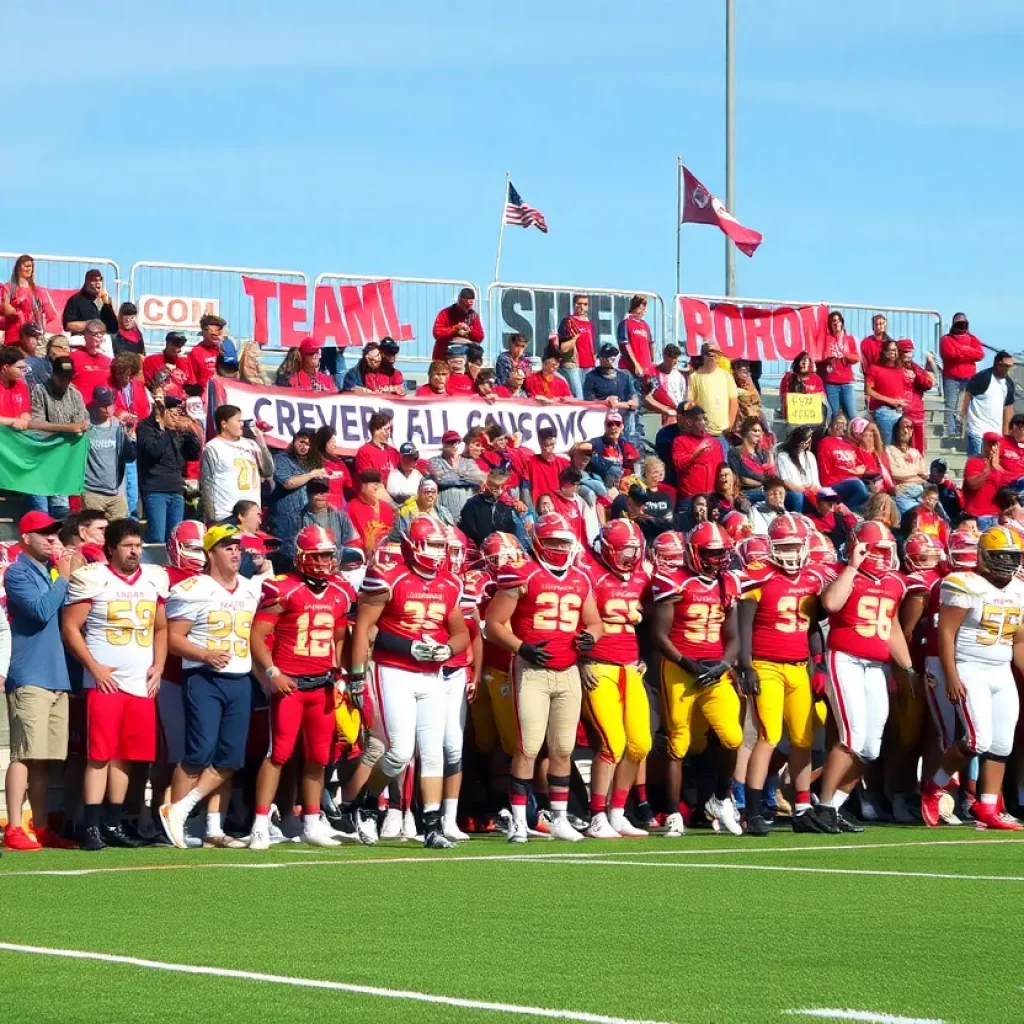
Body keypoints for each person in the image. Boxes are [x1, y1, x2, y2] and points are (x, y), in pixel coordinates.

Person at [343, 514, 471, 849]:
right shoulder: (388, 576)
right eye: (431, 544)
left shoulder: (450, 583)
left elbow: (461, 635)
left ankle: (431, 826)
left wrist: (445, 649)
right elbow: (365, 630)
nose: (437, 552)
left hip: (431, 675)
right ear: (413, 545)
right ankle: (369, 804)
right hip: (393, 671)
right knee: (399, 751)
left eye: (441, 545)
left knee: (432, 753)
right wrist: (358, 677)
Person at [485, 512, 604, 844]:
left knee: (563, 749)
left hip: (567, 672)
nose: (557, 547)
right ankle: (521, 821)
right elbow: (493, 626)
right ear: (537, 541)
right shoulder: (523, 573)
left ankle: (560, 818)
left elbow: (595, 623)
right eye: (551, 541)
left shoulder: (580, 578)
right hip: (532, 671)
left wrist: (591, 638)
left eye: (563, 542)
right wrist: (522, 647)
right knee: (528, 747)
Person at [61, 520, 168, 850]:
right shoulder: (94, 578)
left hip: (140, 681)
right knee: (99, 754)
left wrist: (159, 667)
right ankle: (91, 825)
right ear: (110, 548)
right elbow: (70, 627)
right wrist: (93, 668)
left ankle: (112, 822)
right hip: (104, 682)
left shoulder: (154, 579)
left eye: (137, 544)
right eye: (127, 545)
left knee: (127, 755)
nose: (135, 551)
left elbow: (161, 628)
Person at [249, 526, 357, 849]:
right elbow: (256, 636)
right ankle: (259, 823)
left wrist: (342, 675)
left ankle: (311, 822)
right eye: (318, 555)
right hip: (291, 686)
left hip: (322, 685)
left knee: (318, 757)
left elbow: (339, 638)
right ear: (301, 557)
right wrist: (272, 673)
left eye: (328, 555)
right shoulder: (283, 588)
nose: (325, 561)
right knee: (278, 753)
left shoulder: (340, 591)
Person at [159, 525, 263, 848]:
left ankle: (211, 827)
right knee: (199, 753)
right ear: (210, 552)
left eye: (238, 546)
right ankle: (175, 819)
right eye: (227, 546)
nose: (236, 552)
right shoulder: (194, 588)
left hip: (240, 678)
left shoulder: (250, 589)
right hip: (204, 677)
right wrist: (205, 653)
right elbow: (172, 639)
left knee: (230, 758)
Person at [813, 521, 914, 834]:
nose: (884, 557)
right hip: (846, 660)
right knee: (852, 737)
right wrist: (853, 566)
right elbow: (829, 604)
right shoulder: (845, 575)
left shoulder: (896, 583)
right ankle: (824, 807)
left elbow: (892, 625)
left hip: (877, 666)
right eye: (878, 550)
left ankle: (835, 806)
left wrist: (907, 667)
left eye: (888, 550)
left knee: (870, 747)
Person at [652, 523, 744, 836]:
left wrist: (723, 665)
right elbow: (659, 635)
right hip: (681, 667)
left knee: (732, 737)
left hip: (714, 671)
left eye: (721, 553)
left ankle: (720, 799)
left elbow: (733, 636)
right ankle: (674, 812)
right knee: (679, 741)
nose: (717, 559)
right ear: (693, 551)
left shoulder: (729, 581)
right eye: (710, 553)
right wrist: (687, 664)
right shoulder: (673, 580)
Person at [738, 514, 827, 835]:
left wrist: (821, 663)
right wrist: (746, 666)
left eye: (794, 545)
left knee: (803, 738)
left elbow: (814, 625)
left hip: (800, 665)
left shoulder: (813, 578)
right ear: (772, 546)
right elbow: (743, 624)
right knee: (768, 736)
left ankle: (802, 806)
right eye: (784, 546)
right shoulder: (758, 576)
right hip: (766, 665)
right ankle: (752, 810)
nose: (790, 552)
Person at [935, 526, 1024, 831]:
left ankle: (987, 807)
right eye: (1001, 556)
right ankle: (936, 785)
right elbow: (945, 633)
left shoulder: (1019, 589)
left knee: (1002, 744)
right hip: (970, 664)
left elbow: (1020, 641)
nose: (1008, 563)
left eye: (1013, 556)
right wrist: (951, 675)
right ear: (984, 555)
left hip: (1001, 670)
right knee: (978, 739)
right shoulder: (964, 583)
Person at [2, 512, 81, 851]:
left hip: (55, 676)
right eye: (44, 534)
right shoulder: (18, 572)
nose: (52, 539)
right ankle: (15, 826)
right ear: (25, 539)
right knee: (23, 754)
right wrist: (63, 578)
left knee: (44, 757)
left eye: (54, 534)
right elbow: (38, 610)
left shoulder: (46, 573)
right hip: (30, 675)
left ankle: (42, 824)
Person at [579, 520, 652, 838]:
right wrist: (581, 663)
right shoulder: (590, 575)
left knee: (640, 744)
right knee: (612, 743)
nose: (629, 556)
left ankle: (618, 812)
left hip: (630, 667)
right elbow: (575, 625)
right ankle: (597, 816)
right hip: (599, 667)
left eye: (633, 550)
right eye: (624, 549)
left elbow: (651, 620)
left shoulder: (641, 576)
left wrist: (645, 656)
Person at [134, 396, 200, 542]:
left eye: (179, 413)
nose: (177, 417)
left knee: (174, 538)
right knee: (157, 537)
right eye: (173, 413)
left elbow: (193, 454)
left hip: (176, 489)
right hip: (156, 490)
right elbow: (153, 451)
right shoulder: (145, 427)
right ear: (162, 413)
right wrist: (167, 430)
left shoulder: (178, 432)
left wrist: (188, 432)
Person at [199, 404, 273, 524]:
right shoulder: (213, 447)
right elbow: (207, 485)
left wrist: (260, 440)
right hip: (226, 514)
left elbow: (268, 470)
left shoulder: (251, 444)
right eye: (238, 420)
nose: (242, 424)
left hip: (251, 515)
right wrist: (211, 519)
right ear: (224, 424)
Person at [266, 430, 328, 557]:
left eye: (308, 444)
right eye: (301, 442)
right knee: (284, 557)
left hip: (307, 517)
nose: (304, 446)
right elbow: (288, 483)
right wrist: (311, 474)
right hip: (284, 519)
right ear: (294, 441)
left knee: (306, 554)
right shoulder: (281, 459)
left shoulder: (313, 462)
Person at [83, 387, 137, 520]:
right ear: (96, 404)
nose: (108, 409)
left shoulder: (118, 425)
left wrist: (130, 436)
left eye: (110, 405)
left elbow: (130, 457)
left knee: (120, 534)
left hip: (116, 492)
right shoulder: (86, 426)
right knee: (95, 533)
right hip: (92, 491)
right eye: (104, 406)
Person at [961, 350, 1017, 457]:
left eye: (1009, 367)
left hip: (996, 434)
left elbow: (1009, 409)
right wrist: (962, 416)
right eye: (1005, 366)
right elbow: (966, 396)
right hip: (977, 432)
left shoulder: (1008, 384)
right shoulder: (982, 378)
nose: (1007, 369)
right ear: (997, 363)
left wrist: (1007, 435)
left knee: (993, 467)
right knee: (976, 466)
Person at [939, 312, 985, 440]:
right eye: (958, 323)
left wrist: (962, 350)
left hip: (969, 377)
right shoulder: (946, 339)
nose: (961, 326)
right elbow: (950, 355)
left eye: (963, 323)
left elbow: (980, 355)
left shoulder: (973, 339)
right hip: (951, 377)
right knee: (950, 405)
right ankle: (950, 433)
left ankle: (967, 432)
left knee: (969, 406)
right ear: (953, 324)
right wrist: (967, 351)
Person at [686, 342, 738, 452]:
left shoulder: (727, 376)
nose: (711, 354)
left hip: (722, 434)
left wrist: (729, 426)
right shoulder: (694, 377)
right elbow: (690, 403)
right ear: (702, 355)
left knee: (723, 467)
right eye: (708, 351)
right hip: (702, 433)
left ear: (719, 355)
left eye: (715, 352)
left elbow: (733, 403)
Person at [671, 405, 725, 508]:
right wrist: (696, 454)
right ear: (689, 422)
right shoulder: (680, 441)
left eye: (705, 419)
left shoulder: (715, 442)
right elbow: (679, 465)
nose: (704, 423)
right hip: (690, 499)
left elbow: (721, 469)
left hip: (712, 498)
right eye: (700, 420)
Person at [816, 412, 869, 511]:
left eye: (844, 424)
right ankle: (846, 513)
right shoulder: (825, 443)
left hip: (854, 481)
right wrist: (852, 473)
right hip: (834, 484)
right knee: (858, 485)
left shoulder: (848, 444)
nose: (841, 426)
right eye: (838, 423)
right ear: (831, 425)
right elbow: (825, 475)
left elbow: (862, 464)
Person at [584, 343, 640, 438]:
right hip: (602, 418)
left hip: (623, 417)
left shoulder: (625, 376)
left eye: (614, 355)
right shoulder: (591, 377)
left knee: (629, 417)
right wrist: (606, 402)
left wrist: (616, 404)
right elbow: (589, 402)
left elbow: (634, 403)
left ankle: (627, 444)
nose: (612, 358)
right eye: (608, 355)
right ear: (601, 358)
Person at [430, 429, 486, 520]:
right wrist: (465, 476)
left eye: (456, 441)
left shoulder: (468, 462)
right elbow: (440, 480)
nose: (453, 444)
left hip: (467, 513)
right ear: (443, 444)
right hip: (444, 513)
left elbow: (478, 479)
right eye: (449, 442)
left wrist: (454, 476)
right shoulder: (435, 461)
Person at [1, 254, 58, 343]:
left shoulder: (38, 290)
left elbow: (51, 314)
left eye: (31, 266)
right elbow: (6, 307)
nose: (29, 269)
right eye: (26, 266)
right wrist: (14, 310)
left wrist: (41, 325)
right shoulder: (9, 287)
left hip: (33, 337)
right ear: (18, 268)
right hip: (14, 336)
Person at [298, 478, 359, 554]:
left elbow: (352, 544)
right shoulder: (298, 518)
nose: (321, 494)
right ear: (308, 494)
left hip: (336, 564)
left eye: (324, 491)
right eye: (316, 491)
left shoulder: (341, 516)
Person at [896, 340, 936, 455]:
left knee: (918, 445)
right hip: (899, 410)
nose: (908, 355)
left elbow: (927, 383)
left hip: (916, 409)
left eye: (910, 352)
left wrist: (914, 367)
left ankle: (919, 465)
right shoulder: (892, 368)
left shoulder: (915, 368)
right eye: (905, 352)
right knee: (901, 444)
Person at [865, 338, 907, 445]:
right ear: (884, 352)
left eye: (895, 350)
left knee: (899, 446)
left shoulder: (901, 369)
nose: (893, 353)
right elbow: (868, 390)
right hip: (883, 411)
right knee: (887, 446)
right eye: (890, 350)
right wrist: (890, 401)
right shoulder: (874, 369)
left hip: (901, 411)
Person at [819, 312, 859, 420]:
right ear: (830, 325)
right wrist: (828, 357)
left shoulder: (849, 339)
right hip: (831, 382)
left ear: (842, 323)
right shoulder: (826, 339)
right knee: (834, 415)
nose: (836, 323)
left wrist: (844, 354)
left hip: (847, 382)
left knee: (851, 415)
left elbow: (856, 358)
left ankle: (852, 436)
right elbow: (819, 357)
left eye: (838, 320)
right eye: (833, 321)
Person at [963, 433, 1006, 530]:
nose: (992, 448)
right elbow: (972, 485)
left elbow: (1002, 491)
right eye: (989, 444)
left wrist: (997, 468)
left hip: (996, 516)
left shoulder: (1000, 468)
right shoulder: (973, 462)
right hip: (977, 516)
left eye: (995, 445)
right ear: (983, 445)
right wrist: (989, 469)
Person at [887, 416, 929, 516]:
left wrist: (908, 474)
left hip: (921, 492)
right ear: (897, 430)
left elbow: (924, 474)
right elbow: (894, 473)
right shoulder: (889, 450)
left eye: (909, 427)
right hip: (904, 492)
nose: (906, 431)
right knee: (915, 517)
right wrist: (916, 473)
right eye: (903, 427)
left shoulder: (915, 452)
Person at [555, 293, 595, 397]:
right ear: (574, 304)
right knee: (579, 395)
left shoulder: (589, 323)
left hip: (589, 363)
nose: (582, 307)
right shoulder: (568, 321)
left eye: (585, 304)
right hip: (573, 363)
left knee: (587, 395)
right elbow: (562, 345)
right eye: (579, 304)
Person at [727, 417, 775, 504]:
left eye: (759, 431)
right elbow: (741, 479)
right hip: (747, 492)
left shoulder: (763, 453)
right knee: (772, 495)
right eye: (754, 430)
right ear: (746, 432)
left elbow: (770, 475)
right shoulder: (735, 452)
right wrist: (763, 484)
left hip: (765, 489)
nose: (758, 434)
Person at [775, 424, 821, 513]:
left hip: (810, 491)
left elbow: (816, 482)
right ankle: (797, 520)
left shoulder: (810, 456)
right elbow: (787, 483)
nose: (810, 444)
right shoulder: (783, 456)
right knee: (797, 496)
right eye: (808, 442)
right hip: (793, 492)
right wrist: (805, 489)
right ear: (800, 444)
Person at [346, 469, 395, 550]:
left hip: (384, 551)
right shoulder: (351, 507)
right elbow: (350, 538)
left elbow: (391, 534)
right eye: (374, 485)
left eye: (378, 485)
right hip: (361, 553)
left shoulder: (386, 507)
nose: (377, 488)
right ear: (363, 487)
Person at [432, 287, 483, 361]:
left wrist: (470, 331)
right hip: (444, 356)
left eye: (469, 306)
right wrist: (454, 329)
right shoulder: (445, 313)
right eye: (464, 305)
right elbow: (437, 332)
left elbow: (480, 336)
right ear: (459, 301)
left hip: (465, 358)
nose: (466, 308)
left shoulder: (473, 316)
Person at [62, 269, 118, 336]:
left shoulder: (106, 300)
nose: (98, 283)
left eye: (100, 280)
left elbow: (114, 328)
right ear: (86, 282)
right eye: (94, 280)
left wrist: (107, 305)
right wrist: (91, 325)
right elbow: (68, 325)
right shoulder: (75, 300)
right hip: (82, 340)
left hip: (103, 340)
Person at [69, 321, 113, 406]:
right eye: (94, 334)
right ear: (86, 336)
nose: (97, 338)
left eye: (101, 334)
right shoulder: (73, 357)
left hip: (102, 411)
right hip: (80, 410)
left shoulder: (108, 360)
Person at [588, 411, 640, 478]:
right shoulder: (595, 443)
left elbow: (634, 469)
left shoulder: (626, 446)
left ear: (622, 427)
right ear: (605, 426)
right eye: (610, 424)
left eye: (617, 424)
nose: (613, 427)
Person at [780, 352, 825, 424]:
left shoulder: (816, 379)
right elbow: (783, 397)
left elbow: (822, 398)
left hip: (812, 420)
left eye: (807, 361)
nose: (804, 363)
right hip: (793, 419)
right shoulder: (788, 378)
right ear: (797, 363)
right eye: (802, 361)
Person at [616, 295, 656, 377]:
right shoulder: (625, 323)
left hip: (646, 370)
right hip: (631, 369)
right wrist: (636, 364)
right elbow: (625, 345)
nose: (643, 312)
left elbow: (651, 344)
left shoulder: (645, 325)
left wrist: (652, 363)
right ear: (635, 308)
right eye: (641, 309)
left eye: (644, 309)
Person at [353, 411, 400, 478]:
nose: (389, 433)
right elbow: (369, 483)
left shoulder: (393, 452)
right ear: (377, 430)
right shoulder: (364, 452)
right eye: (387, 429)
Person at [187, 314, 229, 389]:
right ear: (204, 332)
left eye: (219, 332)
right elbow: (192, 381)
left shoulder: (224, 349)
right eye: (213, 333)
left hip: (225, 394)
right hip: (207, 396)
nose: (216, 336)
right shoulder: (196, 352)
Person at [650, 344, 688, 424]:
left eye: (676, 357)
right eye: (671, 356)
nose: (673, 360)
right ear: (664, 356)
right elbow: (647, 398)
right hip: (657, 415)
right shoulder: (653, 373)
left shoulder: (679, 376)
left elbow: (683, 397)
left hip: (675, 416)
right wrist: (665, 410)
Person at [0, 344, 32, 429]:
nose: (23, 371)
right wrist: (14, 422)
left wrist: (25, 418)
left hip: (17, 433)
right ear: (5, 368)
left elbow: (25, 412)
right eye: (19, 368)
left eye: (24, 368)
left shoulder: (21, 385)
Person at [859, 313, 894, 380]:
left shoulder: (891, 343)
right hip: (871, 377)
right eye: (876, 324)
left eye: (881, 324)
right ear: (873, 326)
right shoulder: (865, 343)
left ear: (885, 325)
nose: (879, 327)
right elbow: (864, 364)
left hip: (887, 377)